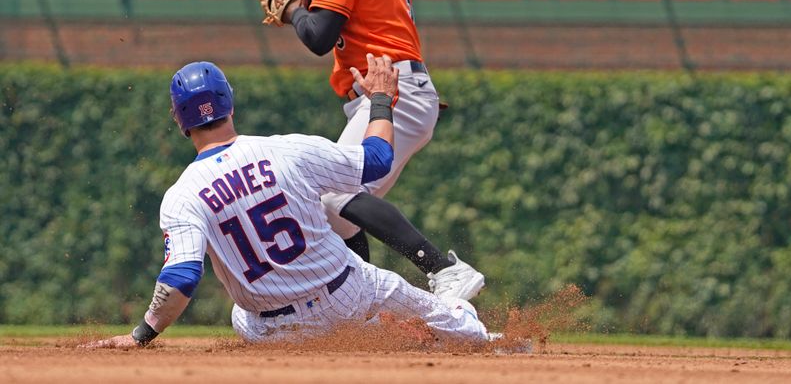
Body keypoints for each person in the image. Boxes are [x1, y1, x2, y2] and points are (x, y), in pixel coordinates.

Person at [82, 57, 489, 347]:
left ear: (178, 120)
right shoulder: (287, 150)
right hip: (347, 295)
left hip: (268, 329)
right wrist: (381, 100)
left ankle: (368, 333)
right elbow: (377, 160)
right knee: (463, 328)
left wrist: (142, 334)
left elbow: (182, 278)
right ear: (230, 104)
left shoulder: (182, 195)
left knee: (239, 315)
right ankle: (448, 317)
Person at [259, 0, 484, 300]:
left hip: (393, 90)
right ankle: (367, 304)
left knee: (332, 194)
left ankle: (442, 269)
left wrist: (295, 9)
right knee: (337, 215)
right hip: (399, 89)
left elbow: (319, 38)